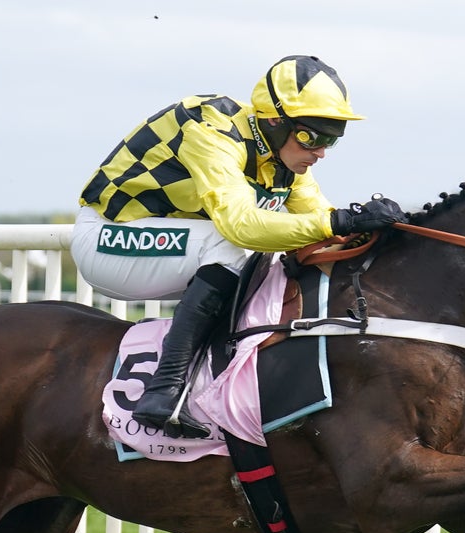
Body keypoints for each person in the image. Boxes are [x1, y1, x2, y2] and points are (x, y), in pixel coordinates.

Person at [71, 54, 406, 439]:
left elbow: (323, 227)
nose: (320, 152)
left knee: (274, 260)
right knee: (233, 245)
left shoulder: (285, 162)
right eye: (311, 137)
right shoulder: (211, 130)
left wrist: (376, 229)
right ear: (274, 121)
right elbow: (240, 225)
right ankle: (164, 389)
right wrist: (339, 221)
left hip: (163, 251)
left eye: (330, 139)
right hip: (109, 239)